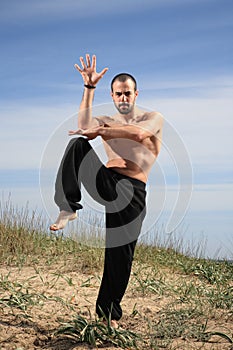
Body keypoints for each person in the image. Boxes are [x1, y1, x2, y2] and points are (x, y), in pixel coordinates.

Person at [50, 54, 163, 327]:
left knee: (119, 255)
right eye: (117, 94)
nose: (123, 98)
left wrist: (103, 131)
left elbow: (137, 134)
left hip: (133, 191)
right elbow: (85, 125)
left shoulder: (153, 117)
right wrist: (89, 89)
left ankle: (107, 317)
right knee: (78, 146)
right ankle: (68, 206)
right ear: (112, 96)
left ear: (136, 94)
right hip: (106, 181)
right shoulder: (106, 119)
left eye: (127, 93)